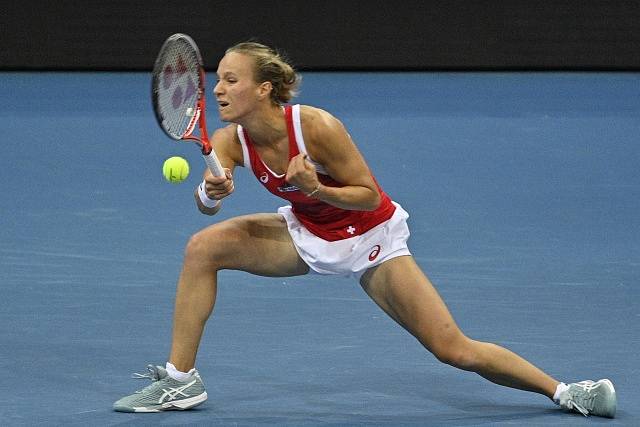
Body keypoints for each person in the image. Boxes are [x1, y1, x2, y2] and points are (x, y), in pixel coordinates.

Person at [113, 42, 617, 418]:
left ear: (264, 88)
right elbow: (206, 203)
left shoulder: (317, 128)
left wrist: (317, 189)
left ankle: (568, 392)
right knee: (204, 247)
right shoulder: (227, 141)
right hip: (308, 235)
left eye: (229, 79)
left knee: (454, 349)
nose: (216, 89)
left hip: (370, 240)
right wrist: (209, 194)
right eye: (215, 80)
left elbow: (371, 197)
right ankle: (181, 380)